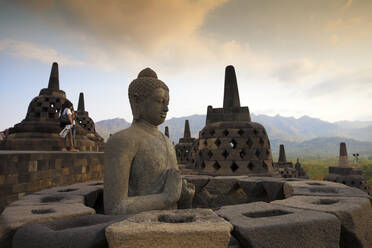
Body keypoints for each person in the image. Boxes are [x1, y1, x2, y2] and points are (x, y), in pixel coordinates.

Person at [104, 68, 194, 215]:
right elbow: (115, 207)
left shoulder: (168, 142)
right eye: (159, 101)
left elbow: (174, 194)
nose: (166, 108)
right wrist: (166, 197)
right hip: (140, 229)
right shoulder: (122, 141)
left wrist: (183, 195)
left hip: (174, 224)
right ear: (137, 101)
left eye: (167, 102)